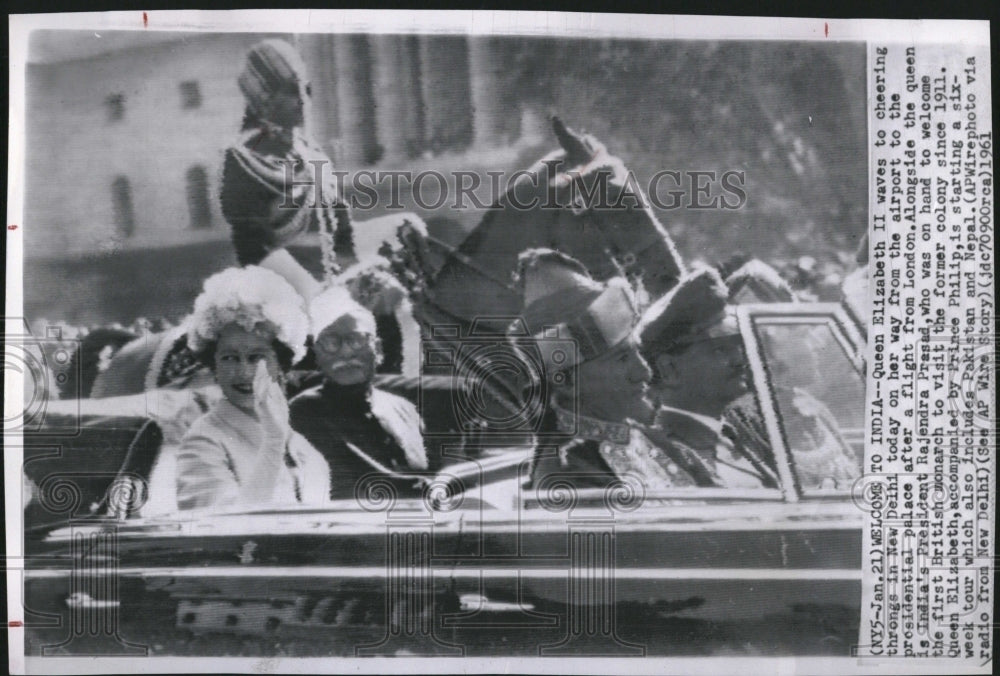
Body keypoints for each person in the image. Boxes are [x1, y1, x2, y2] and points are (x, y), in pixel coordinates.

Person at [509, 249, 710, 492]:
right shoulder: (571, 475)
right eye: (622, 358)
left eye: (637, 352)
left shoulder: (647, 441)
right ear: (567, 383)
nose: (644, 372)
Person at [174, 266, 330, 511]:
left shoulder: (306, 451)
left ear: (281, 363)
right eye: (229, 358)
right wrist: (273, 443)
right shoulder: (204, 442)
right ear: (213, 365)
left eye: (257, 357)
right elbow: (221, 532)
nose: (244, 372)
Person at [220, 38, 355, 300]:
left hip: (334, 288)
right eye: (291, 91)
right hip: (280, 296)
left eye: (306, 90)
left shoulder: (313, 154)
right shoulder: (244, 159)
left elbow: (343, 233)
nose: (302, 100)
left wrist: (354, 280)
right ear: (265, 98)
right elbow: (252, 248)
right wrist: (314, 295)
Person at [637, 267, 779, 489]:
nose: (740, 359)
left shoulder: (740, 430)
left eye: (739, 346)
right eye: (720, 350)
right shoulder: (669, 451)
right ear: (669, 370)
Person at [290, 286, 428, 499]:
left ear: (379, 350)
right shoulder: (304, 411)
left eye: (356, 340)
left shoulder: (404, 409)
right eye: (331, 342)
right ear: (317, 355)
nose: (345, 352)